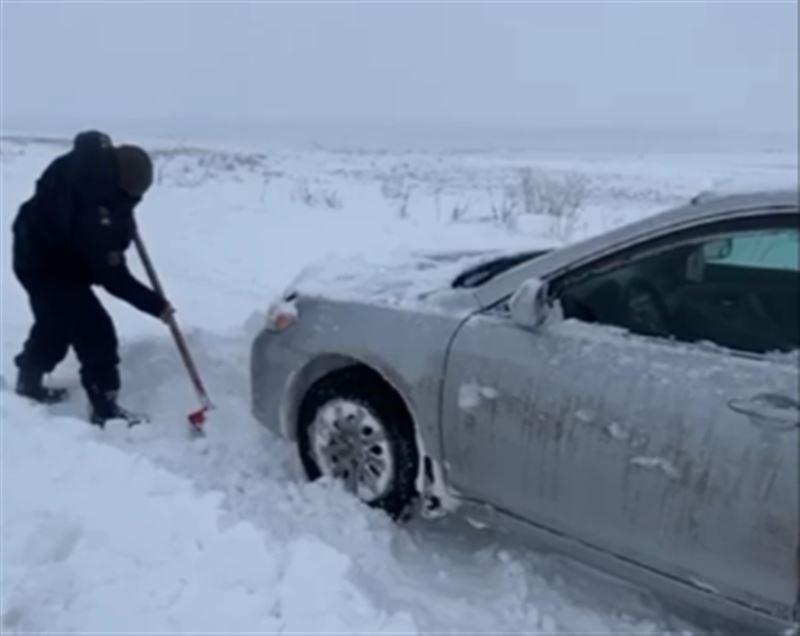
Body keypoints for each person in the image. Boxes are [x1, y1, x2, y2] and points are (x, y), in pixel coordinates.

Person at [12, 130, 173, 426]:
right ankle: (105, 409)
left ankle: (28, 383)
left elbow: (89, 139)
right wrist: (157, 305)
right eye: (131, 199)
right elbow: (113, 278)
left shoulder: (91, 165)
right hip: (49, 265)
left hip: (33, 247)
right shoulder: (96, 221)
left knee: (55, 323)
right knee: (95, 332)